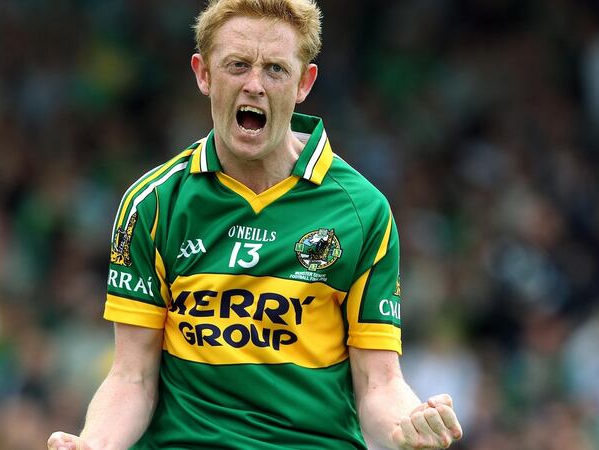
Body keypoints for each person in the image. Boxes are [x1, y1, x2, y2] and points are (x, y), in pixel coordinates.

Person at [48, 0, 463, 449]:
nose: (254, 85)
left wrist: (409, 430)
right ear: (203, 73)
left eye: (275, 70)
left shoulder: (362, 210)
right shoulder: (152, 204)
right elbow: (133, 376)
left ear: (305, 82)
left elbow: (378, 383)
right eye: (237, 65)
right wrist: (93, 445)